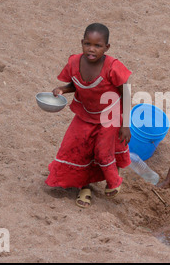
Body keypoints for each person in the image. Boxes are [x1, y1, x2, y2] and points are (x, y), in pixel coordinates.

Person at [45, 23, 132, 208]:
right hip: (85, 113)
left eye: (98, 46)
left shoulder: (112, 67)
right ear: (82, 43)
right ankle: (84, 187)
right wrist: (62, 89)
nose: (91, 49)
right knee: (77, 148)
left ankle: (113, 180)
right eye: (87, 44)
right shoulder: (74, 62)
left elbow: (126, 93)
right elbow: (75, 84)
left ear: (106, 48)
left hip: (110, 115)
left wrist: (126, 124)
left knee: (102, 151)